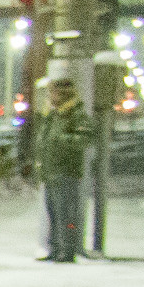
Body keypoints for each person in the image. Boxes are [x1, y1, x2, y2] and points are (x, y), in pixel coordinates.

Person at [36, 74, 93, 262]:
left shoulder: (76, 113)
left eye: (52, 92)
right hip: (50, 172)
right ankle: (55, 248)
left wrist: (60, 140)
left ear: (62, 94)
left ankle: (68, 250)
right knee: (53, 213)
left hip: (66, 172)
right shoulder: (53, 114)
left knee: (66, 214)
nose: (50, 96)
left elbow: (84, 139)